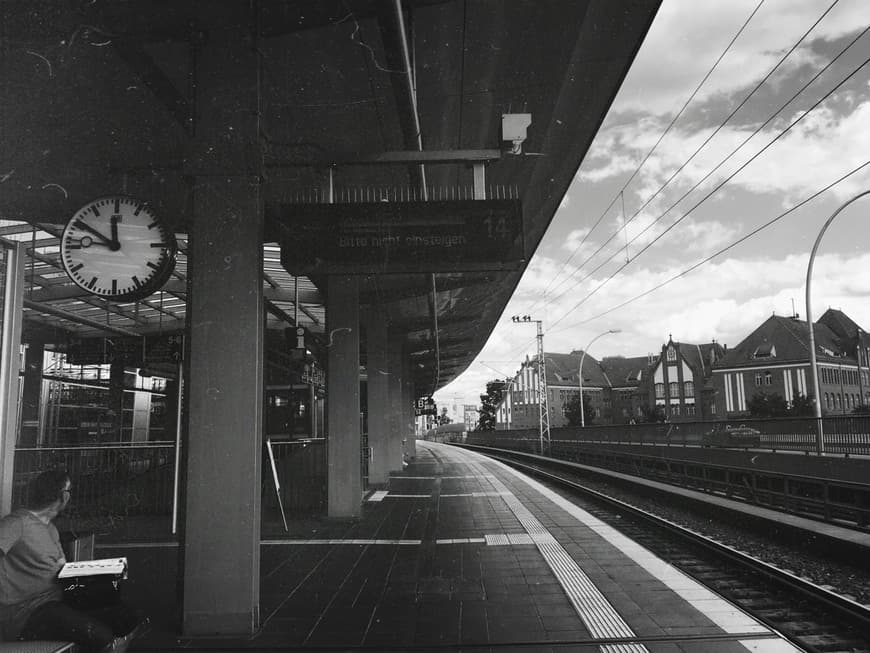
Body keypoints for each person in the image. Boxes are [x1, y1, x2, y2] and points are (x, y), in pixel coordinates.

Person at [0, 470, 144, 652]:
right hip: (26, 612)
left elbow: (61, 570)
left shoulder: (50, 529)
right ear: (64, 497)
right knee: (99, 634)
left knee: (127, 616)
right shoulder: (16, 523)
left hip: (58, 600)